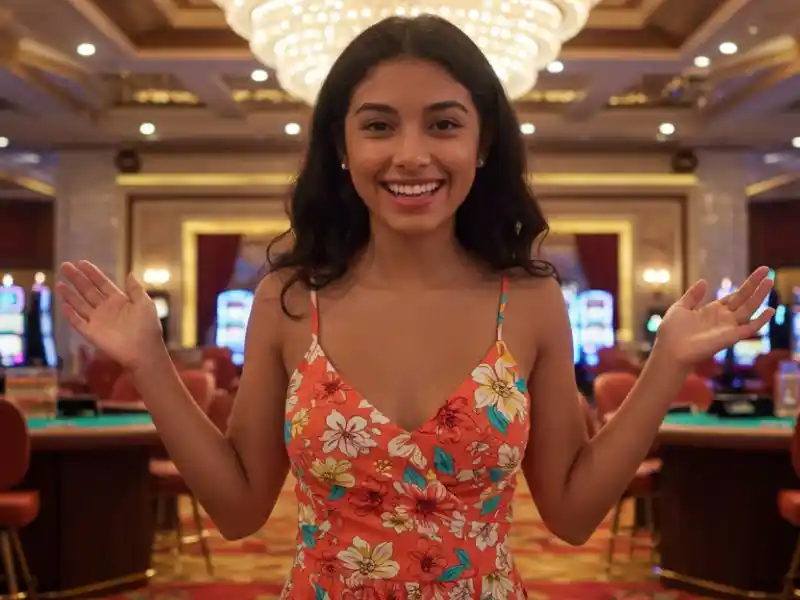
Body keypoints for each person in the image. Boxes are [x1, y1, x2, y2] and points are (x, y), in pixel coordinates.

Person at [56, 15, 773, 600]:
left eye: (442, 124)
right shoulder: (290, 298)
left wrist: (669, 362)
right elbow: (241, 511)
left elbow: (574, 513)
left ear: (482, 142)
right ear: (340, 145)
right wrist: (149, 363)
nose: (410, 155)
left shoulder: (527, 299)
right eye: (376, 126)